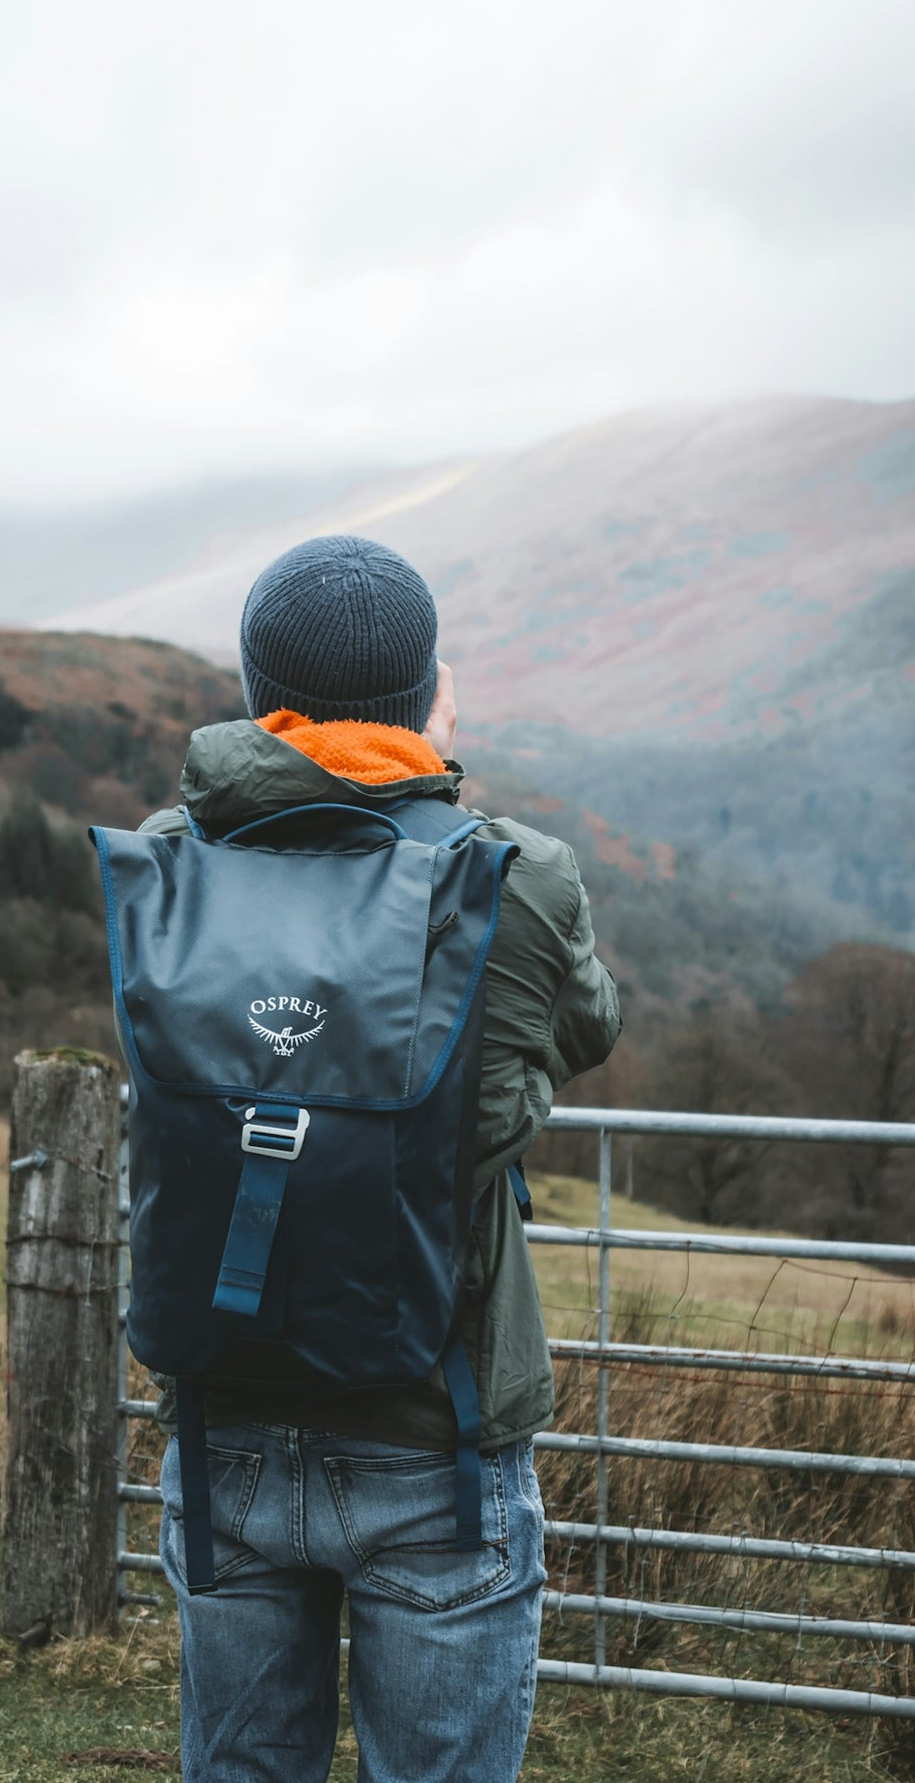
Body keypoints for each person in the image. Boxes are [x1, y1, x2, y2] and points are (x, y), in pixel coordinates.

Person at [137, 533, 621, 1782]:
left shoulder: (170, 866)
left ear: (257, 693)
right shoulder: (513, 878)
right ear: (427, 694)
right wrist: (436, 781)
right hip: (437, 1438)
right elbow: (591, 1024)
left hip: (225, 1429)